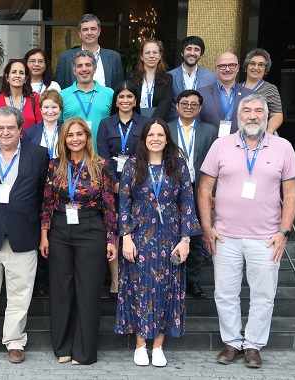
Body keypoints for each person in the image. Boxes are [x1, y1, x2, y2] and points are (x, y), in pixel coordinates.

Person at [198, 94, 295, 368]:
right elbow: (205, 189)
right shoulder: (221, 145)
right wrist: (207, 228)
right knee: (225, 293)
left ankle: (253, 345)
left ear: (266, 116)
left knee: (263, 295)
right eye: (247, 111)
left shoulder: (283, 147)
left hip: (267, 238)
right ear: (238, 116)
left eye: (258, 111)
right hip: (225, 236)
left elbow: (290, 194)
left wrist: (284, 232)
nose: (252, 116)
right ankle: (231, 342)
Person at [116, 118, 202, 367]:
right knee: (139, 288)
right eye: (151, 134)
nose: (156, 138)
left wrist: (186, 240)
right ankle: (141, 345)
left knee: (167, 290)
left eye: (160, 135)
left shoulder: (178, 165)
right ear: (143, 139)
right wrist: (126, 238)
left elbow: (187, 202)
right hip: (140, 235)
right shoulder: (133, 165)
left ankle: (159, 346)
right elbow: (124, 203)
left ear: (167, 138)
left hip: (170, 237)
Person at [0, 107, 49, 364]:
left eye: (11, 128)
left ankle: (14, 342)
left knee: (20, 293)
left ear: (20, 129)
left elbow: (41, 197)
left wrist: (41, 230)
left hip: (23, 234)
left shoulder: (38, 154)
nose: (5, 132)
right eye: (1, 127)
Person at [39, 117, 117, 365]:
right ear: (64, 139)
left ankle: (84, 351)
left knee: (88, 290)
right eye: (70, 135)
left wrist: (111, 239)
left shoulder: (100, 165)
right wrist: (44, 235)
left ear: (87, 136)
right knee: (61, 290)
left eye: (79, 134)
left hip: (91, 228)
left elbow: (109, 205)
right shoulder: (55, 166)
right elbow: (47, 203)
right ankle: (62, 346)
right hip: (60, 229)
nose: (75, 139)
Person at [96, 80, 149, 298]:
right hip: (113, 185)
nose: (125, 101)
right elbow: (102, 156)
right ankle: (116, 280)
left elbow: (149, 151)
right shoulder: (106, 124)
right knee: (115, 230)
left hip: (140, 183)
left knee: (136, 229)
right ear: (115, 100)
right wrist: (115, 183)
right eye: (121, 97)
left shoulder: (146, 123)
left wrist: (133, 182)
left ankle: (134, 276)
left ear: (135, 100)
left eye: (129, 97)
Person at [168, 89, 217, 298]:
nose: (189, 107)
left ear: (200, 108)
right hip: (170, 188)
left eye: (194, 104)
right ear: (177, 106)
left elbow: (215, 165)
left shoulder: (209, 130)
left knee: (195, 236)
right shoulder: (166, 128)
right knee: (171, 235)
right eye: (185, 103)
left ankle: (193, 282)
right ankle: (171, 280)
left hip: (198, 189)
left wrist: (212, 192)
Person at [22, 89, 63, 298]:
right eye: (46, 107)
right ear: (40, 109)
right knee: (39, 233)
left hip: (62, 189)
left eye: (54, 107)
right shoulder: (31, 132)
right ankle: (39, 281)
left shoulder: (66, 129)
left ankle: (53, 279)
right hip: (37, 188)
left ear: (60, 109)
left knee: (56, 234)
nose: (50, 111)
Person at [59, 50, 114, 151]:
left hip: (101, 156)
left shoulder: (109, 94)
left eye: (88, 65)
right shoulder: (62, 95)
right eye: (79, 66)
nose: (84, 69)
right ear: (74, 70)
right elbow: (58, 126)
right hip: (72, 157)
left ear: (95, 68)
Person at [54, 14, 124, 90]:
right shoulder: (65, 58)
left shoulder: (114, 57)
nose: (89, 33)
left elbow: (119, 89)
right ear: (79, 33)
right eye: (85, 29)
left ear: (99, 31)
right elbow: (59, 90)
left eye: (93, 29)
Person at [197, 52, 255, 137]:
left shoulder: (250, 95)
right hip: (209, 146)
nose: (227, 69)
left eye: (232, 65)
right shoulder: (201, 94)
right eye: (222, 66)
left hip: (241, 146)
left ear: (238, 68)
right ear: (216, 69)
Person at [167, 36, 217, 120]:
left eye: (196, 50)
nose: (192, 53)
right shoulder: (169, 76)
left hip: (201, 126)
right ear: (182, 53)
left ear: (200, 55)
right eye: (189, 49)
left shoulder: (211, 77)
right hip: (174, 126)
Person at [128, 38, 173, 120]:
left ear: (160, 56)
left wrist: (153, 122)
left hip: (158, 123)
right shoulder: (131, 77)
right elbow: (129, 101)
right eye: (147, 53)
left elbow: (166, 102)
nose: (151, 56)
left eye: (155, 52)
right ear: (141, 56)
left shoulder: (167, 78)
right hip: (136, 122)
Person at [241, 48, 283, 134]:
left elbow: (277, 115)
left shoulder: (270, 89)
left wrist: (268, 133)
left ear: (265, 70)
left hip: (261, 134)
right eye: (252, 63)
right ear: (246, 67)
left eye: (261, 65)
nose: (256, 68)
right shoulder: (237, 87)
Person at [0, 59, 43, 130]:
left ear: (26, 78)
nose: (17, 75)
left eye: (21, 73)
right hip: (6, 140)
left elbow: (41, 124)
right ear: (7, 77)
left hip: (30, 140)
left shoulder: (35, 98)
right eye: (14, 72)